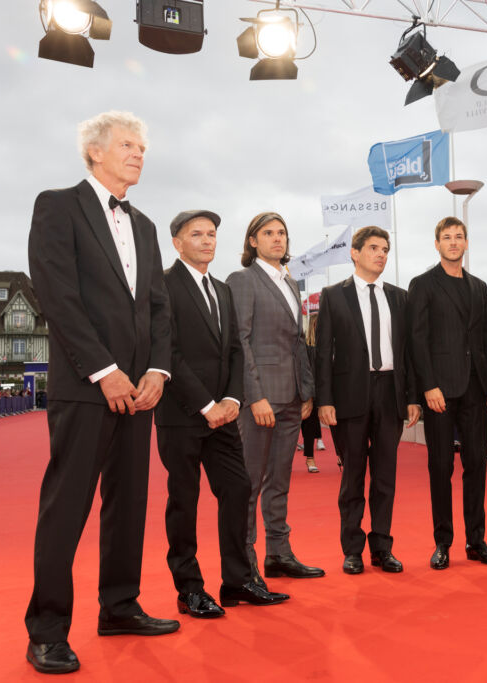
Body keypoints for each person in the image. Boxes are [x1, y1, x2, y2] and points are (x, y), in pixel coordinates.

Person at [25, 112, 177, 674]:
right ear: (94, 152)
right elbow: (57, 294)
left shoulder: (145, 226)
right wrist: (103, 369)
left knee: (129, 505)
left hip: (141, 393)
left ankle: (119, 606)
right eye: (128, 145)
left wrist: (157, 371)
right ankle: (46, 629)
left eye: (143, 146)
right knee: (66, 508)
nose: (140, 153)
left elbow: (158, 306)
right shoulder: (57, 205)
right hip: (88, 388)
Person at [155, 210, 289, 620]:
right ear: (177, 242)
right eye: (196, 234)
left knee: (236, 489)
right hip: (182, 413)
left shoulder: (222, 288)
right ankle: (189, 589)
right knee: (185, 500)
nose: (207, 240)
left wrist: (232, 398)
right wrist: (205, 404)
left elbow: (234, 348)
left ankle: (238, 580)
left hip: (225, 415)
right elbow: (168, 351)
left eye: (212, 234)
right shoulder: (162, 285)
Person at [317, 226, 420, 574]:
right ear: (355, 252)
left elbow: (407, 353)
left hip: (390, 392)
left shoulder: (399, 297)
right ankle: (352, 549)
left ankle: (382, 547)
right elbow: (323, 353)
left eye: (385, 249)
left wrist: (411, 397)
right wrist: (324, 399)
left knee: (385, 477)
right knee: (353, 476)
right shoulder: (333, 296)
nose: (381, 254)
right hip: (349, 396)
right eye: (374, 248)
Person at [226, 212, 322, 583]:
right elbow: (241, 342)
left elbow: (298, 342)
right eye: (268, 233)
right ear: (253, 241)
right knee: (250, 482)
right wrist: (255, 397)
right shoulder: (243, 280)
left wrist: (307, 391)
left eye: (282, 233)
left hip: (292, 396)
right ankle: (244, 561)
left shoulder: (291, 282)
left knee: (280, 480)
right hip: (261, 399)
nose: (277, 239)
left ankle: (278, 554)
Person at [408, 217, 487, 570]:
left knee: (476, 464)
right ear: (437, 244)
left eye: (458, 237)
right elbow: (417, 340)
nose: (452, 242)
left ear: (466, 243)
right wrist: (427, 385)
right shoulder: (423, 285)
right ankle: (442, 542)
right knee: (441, 466)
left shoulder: (480, 287)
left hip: (476, 388)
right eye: (446, 237)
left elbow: (486, 340)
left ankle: (476, 541)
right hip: (440, 392)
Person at [298, 315, 323, 473]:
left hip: (322, 390)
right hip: (306, 390)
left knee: (311, 424)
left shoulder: (329, 346)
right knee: (307, 423)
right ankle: (309, 458)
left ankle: (311, 458)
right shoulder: (305, 347)